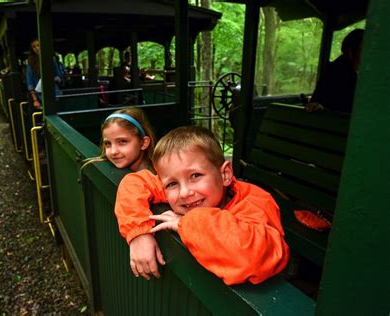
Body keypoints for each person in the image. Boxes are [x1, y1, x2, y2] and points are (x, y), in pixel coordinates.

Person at [115, 126, 290, 285]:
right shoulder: (181, 191)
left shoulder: (256, 201)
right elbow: (134, 183)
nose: (184, 192)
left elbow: (252, 258)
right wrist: (139, 234)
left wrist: (187, 223)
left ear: (225, 174)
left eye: (196, 176)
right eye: (172, 184)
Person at [307, 29, 365, 113]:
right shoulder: (334, 72)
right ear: (350, 51)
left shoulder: (366, 72)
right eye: (364, 48)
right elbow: (317, 103)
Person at [82, 107, 155, 172]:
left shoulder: (155, 178)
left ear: (143, 143)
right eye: (108, 143)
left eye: (122, 141)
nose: (113, 151)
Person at [25, 39, 62, 110]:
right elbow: (30, 83)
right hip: (39, 96)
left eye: (38, 45)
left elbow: (58, 76)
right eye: (34, 47)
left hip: (54, 94)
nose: (36, 48)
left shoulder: (52, 59)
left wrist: (53, 79)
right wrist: (35, 100)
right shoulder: (30, 63)